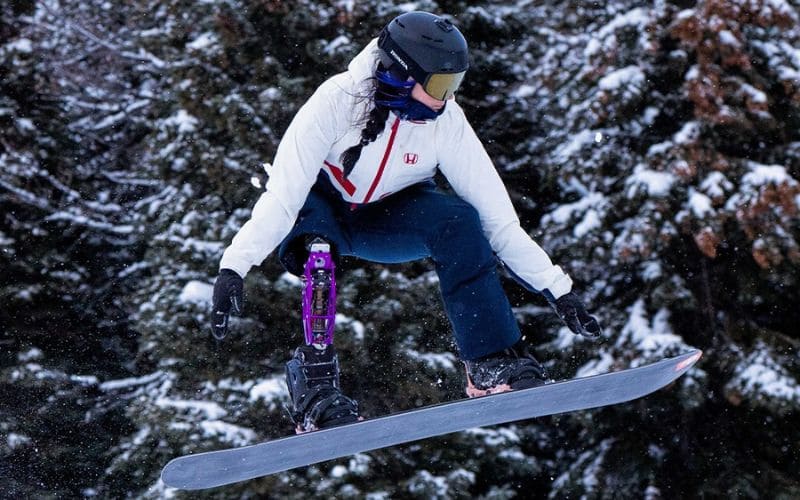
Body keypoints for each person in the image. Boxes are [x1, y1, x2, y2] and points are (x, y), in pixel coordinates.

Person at [211, 11, 601, 433]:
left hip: (387, 216)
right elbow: (283, 197)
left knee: (459, 221)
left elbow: (499, 222)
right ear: (400, 72)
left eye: (455, 85)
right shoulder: (337, 101)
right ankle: (316, 390)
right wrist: (234, 265)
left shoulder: (446, 122)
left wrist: (558, 291)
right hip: (319, 209)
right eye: (439, 85)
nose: (446, 98)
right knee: (319, 255)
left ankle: (490, 361)